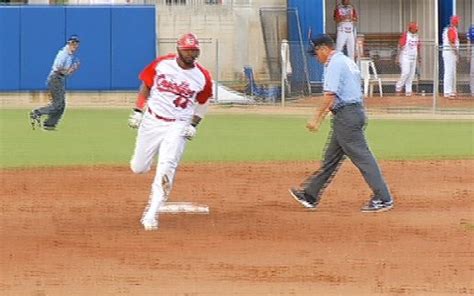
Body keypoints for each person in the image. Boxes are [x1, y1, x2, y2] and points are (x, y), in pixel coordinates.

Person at [289, 35, 394, 213]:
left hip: (348, 115)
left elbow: (330, 95)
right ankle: (310, 195)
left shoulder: (334, 64)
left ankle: (383, 197)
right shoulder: (345, 61)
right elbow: (340, 95)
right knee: (331, 158)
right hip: (349, 113)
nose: (317, 58)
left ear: (324, 49)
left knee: (362, 156)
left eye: (316, 53)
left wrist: (316, 118)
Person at [128, 33, 213, 230]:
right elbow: (146, 85)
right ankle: (148, 164)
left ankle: (151, 213)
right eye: (187, 50)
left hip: (178, 124)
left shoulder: (202, 76)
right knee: (138, 167)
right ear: (179, 50)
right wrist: (138, 110)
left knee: (167, 166)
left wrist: (193, 124)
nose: (191, 54)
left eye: (194, 51)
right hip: (152, 121)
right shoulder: (162, 64)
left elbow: (203, 103)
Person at [29, 35, 81, 131]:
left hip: (59, 79)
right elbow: (58, 69)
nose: (75, 46)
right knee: (57, 105)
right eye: (73, 43)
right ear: (69, 43)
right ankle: (37, 112)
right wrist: (68, 70)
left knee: (61, 106)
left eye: (76, 44)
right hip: (55, 79)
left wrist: (73, 69)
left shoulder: (69, 55)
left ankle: (49, 124)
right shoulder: (64, 54)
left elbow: (66, 73)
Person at [395, 22, 421, 96]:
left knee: (411, 75)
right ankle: (398, 87)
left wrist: (419, 56)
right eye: (415, 29)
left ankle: (408, 91)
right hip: (405, 57)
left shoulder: (416, 36)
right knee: (405, 73)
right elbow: (400, 46)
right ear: (411, 29)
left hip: (413, 57)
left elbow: (418, 47)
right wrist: (397, 57)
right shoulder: (405, 35)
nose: (416, 31)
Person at [442, 16, 460, 98]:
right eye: (457, 21)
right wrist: (457, 53)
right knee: (449, 72)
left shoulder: (452, 29)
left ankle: (451, 91)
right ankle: (447, 91)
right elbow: (451, 42)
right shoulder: (451, 30)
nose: (458, 23)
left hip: (451, 52)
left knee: (452, 72)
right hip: (449, 52)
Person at [468, 24, 474, 97]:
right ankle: (472, 91)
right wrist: (468, 54)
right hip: (473, 48)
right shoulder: (472, 29)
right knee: (472, 72)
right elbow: (469, 42)